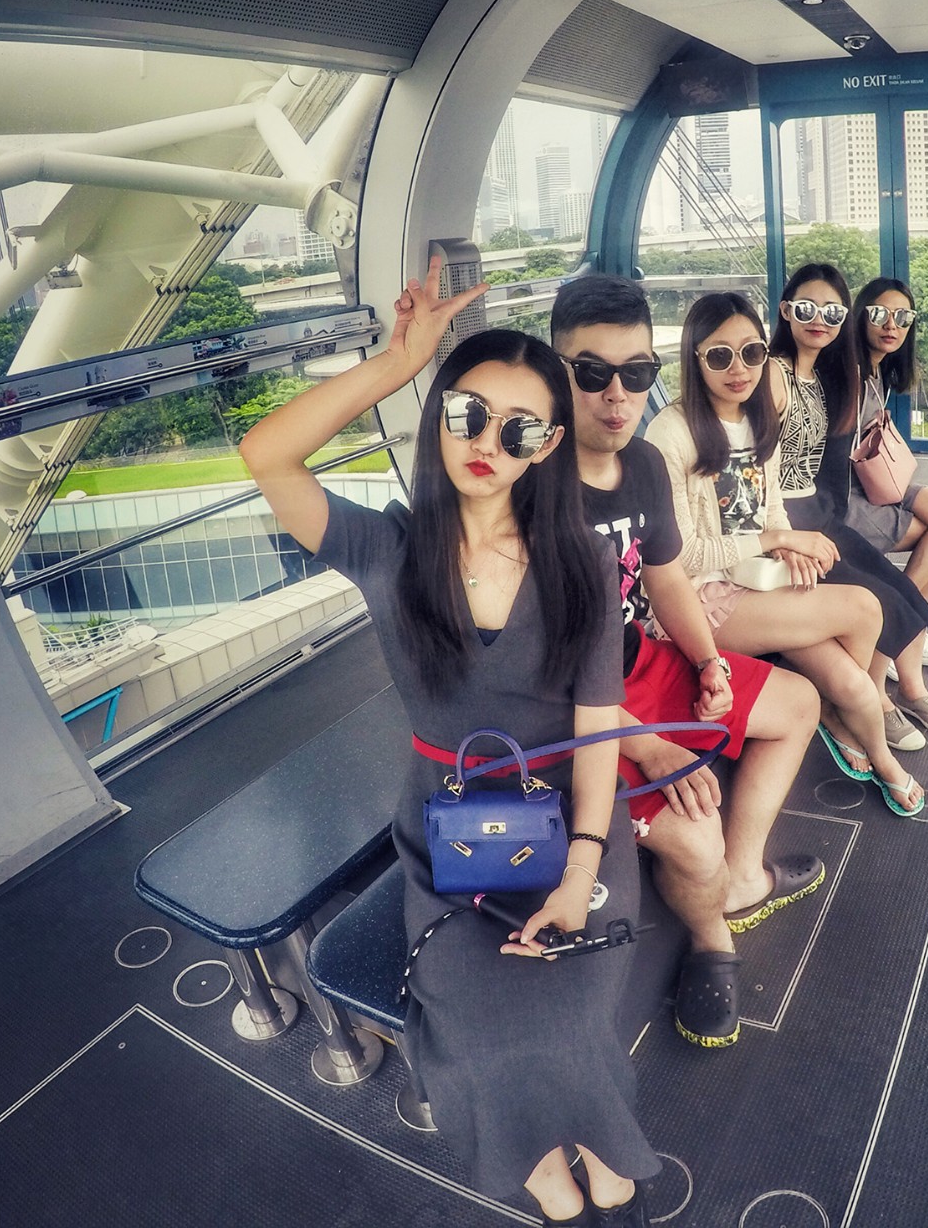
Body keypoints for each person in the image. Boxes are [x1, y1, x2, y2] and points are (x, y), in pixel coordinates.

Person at [239, 259, 655, 1226]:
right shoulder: (388, 551)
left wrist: (580, 866)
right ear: (439, 419)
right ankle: (546, 1165)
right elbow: (267, 456)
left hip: (574, 826)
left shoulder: (585, 565)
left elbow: (599, 728)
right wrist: (399, 363)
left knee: (570, 1014)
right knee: (477, 1019)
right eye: (467, 414)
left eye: (518, 429)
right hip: (448, 834)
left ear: (548, 446)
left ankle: (603, 1157)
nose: (486, 443)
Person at [548, 273, 825, 1051]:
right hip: (572, 712)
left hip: (640, 659)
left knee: (798, 704)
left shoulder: (639, 465)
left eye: (636, 372)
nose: (617, 394)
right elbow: (542, 667)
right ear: (557, 372)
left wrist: (708, 661)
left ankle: (742, 880)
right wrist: (648, 745)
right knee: (694, 837)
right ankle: (712, 940)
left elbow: (666, 577)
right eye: (591, 372)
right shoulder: (533, 491)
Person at [646, 291, 928, 818]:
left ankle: (845, 715)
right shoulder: (672, 431)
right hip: (701, 601)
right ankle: (874, 748)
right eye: (720, 356)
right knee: (863, 608)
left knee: (850, 674)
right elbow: (681, 557)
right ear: (694, 358)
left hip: (756, 580)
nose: (739, 369)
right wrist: (778, 541)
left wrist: (785, 545)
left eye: (752, 353)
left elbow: (772, 507)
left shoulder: (759, 418)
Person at [768, 262, 928, 750]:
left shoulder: (819, 375)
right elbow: (761, 464)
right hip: (810, 512)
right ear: (786, 311)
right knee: (889, 593)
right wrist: (781, 534)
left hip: (823, 507)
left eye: (831, 312)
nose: (820, 320)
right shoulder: (782, 375)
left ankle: (906, 678)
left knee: (909, 580)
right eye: (807, 309)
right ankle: (878, 692)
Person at [830, 277, 928, 643]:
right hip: (850, 499)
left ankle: (906, 627)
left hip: (877, 483)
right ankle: (899, 629)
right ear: (860, 317)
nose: (891, 325)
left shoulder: (878, 371)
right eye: (879, 314)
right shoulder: (848, 375)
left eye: (903, 317)